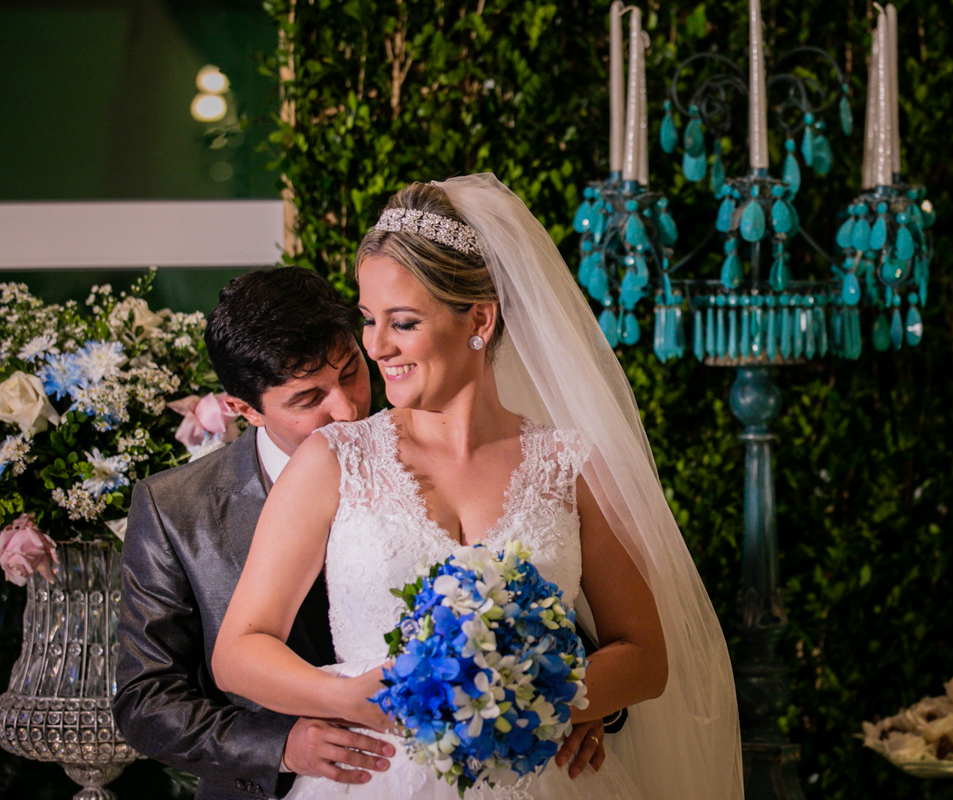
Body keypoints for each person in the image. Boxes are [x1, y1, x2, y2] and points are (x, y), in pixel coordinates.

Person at [211, 175, 743, 799]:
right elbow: (239, 650)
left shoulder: (567, 466)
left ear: (479, 321)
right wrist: (343, 697)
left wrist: (538, 700)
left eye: (402, 322)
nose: (377, 347)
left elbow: (644, 655)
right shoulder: (334, 460)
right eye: (369, 320)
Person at [113, 267, 390, 799]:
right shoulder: (175, 509)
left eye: (352, 370)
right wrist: (279, 745)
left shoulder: (435, 451)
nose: (349, 408)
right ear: (244, 409)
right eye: (309, 400)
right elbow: (146, 699)